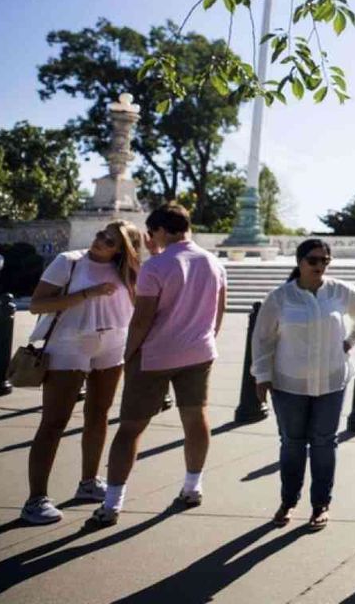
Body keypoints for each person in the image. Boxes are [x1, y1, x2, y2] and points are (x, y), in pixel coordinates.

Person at [87, 203, 226, 529]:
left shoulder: (156, 267)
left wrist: (127, 355)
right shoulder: (214, 263)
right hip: (198, 352)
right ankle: (193, 486)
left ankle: (112, 502)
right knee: (196, 420)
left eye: (152, 233)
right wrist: (204, 340)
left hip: (155, 355)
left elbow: (142, 320)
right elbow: (219, 311)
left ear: (161, 230)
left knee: (131, 428)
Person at [21, 221, 144, 525]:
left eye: (110, 240)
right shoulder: (69, 261)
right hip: (69, 343)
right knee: (54, 421)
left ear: (122, 250)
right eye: (102, 234)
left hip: (112, 344)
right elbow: (37, 304)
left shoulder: (129, 273)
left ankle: (88, 482)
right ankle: (35, 499)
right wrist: (87, 294)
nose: (100, 240)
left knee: (99, 415)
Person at [252, 238, 355, 529]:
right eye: (314, 261)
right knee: (292, 443)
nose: (320, 266)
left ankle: (320, 504)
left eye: (325, 261)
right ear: (300, 262)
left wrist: (349, 342)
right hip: (289, 384)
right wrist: (262, 376)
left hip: (331, 381)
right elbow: (263, 339)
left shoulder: (340, 291)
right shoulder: (280, 298)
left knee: (324, 443)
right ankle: (288, 501)